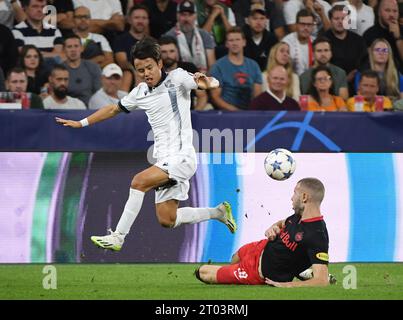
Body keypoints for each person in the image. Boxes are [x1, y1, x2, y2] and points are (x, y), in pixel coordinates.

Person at [55, 37, 237, 251]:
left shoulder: (177, 78)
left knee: (138, 181)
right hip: (164, 159)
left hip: (182, 157)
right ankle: (218, 212)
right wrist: (81, 123)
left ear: (159, 63)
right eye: (140, 70)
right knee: (167, 219)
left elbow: (209, 83)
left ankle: (118, 237)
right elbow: (113, 109)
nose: (146, 74)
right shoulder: (139, 92)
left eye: (149, 67)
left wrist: (207, 81)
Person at [196, 177, 332, 287]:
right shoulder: (299, 215)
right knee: (234, 258)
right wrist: (272, 228)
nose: (291, 198)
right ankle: (302, 272)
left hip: (256, 272)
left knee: (203, 272)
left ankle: (301, 272)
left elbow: (322, 281)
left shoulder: (317, 234)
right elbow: (282, 223)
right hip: (260, 247)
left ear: (304, 197)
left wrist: (287, 285)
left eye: (294, 193)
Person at [209, 27, 262, 111]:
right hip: (227, 114)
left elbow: (258, 96)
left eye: (237, 39)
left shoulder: (254, 66)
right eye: (231, 40)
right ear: (226, 44)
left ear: (244, 42)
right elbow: (215, 97)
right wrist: (236, 112)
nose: (234, 43)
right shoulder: (218, 66)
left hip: (250, 113)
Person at [164, 0, 216, 73]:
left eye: (190, 15)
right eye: (183, 14)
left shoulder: (204, 35)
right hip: (179, 78)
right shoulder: (169, 36)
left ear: (195, 16)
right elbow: (168, 65)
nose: (186, 19)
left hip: (204, 78)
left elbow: (212, 65)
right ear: (177, 16)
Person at [158, 36, 209, 111]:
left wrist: (194, 115)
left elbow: (202, 96)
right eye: (164, 52)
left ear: (177, 52)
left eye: (172, 51)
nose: (168, 55)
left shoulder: (189, 68)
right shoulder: (154, 71)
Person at [363, 0, 403, 73]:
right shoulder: (369, 34)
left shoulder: (401, 31)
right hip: (377, 76)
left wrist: (398, 37)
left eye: (395, 11)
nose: (391, 14)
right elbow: (367, 63)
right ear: (379, 12)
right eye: (387, 10)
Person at [62, 34, 102, 105]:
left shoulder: (93, 67)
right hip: (67, 108)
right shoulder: (59, 69)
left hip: (89, 109)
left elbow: (98, 93)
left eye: (76, 46)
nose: (73, 50)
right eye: (69, 47)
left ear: (82, 48)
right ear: (64, 50)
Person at [282, 9, 315, 76]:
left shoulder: (316, 42)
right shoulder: (286, 42)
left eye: (309, 25)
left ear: (313, 26)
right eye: (302, 24)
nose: (306, 28)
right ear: (296, 25)